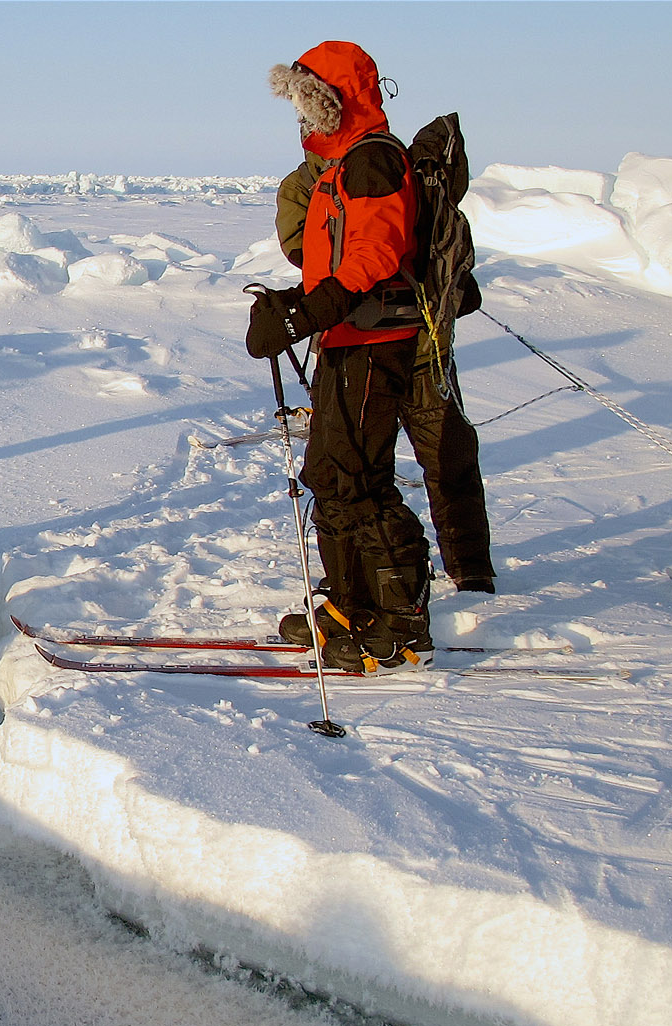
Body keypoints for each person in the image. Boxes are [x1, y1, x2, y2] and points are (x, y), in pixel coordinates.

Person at [247, 41, 435, 672]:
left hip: (376, 342)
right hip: (347, 338)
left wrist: (305, 313)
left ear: (333, 102)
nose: (300, 118)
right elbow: (334, 260)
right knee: (330, 475)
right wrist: (291, 303)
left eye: (306, 102)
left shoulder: (374, 162)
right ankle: (349, 601)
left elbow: (377, 257)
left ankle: (401, 617)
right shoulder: (341, 167)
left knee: (357, 478)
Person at [276, 153, 496, 594]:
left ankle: (470, 572)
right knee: (347, 472)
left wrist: (445, 279)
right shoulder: (306, 185)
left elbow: (435, 242)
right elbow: (310, 257)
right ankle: (358, 580)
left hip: (423, 348)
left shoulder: (398, 169)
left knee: (448, 457)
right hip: (355, 348)